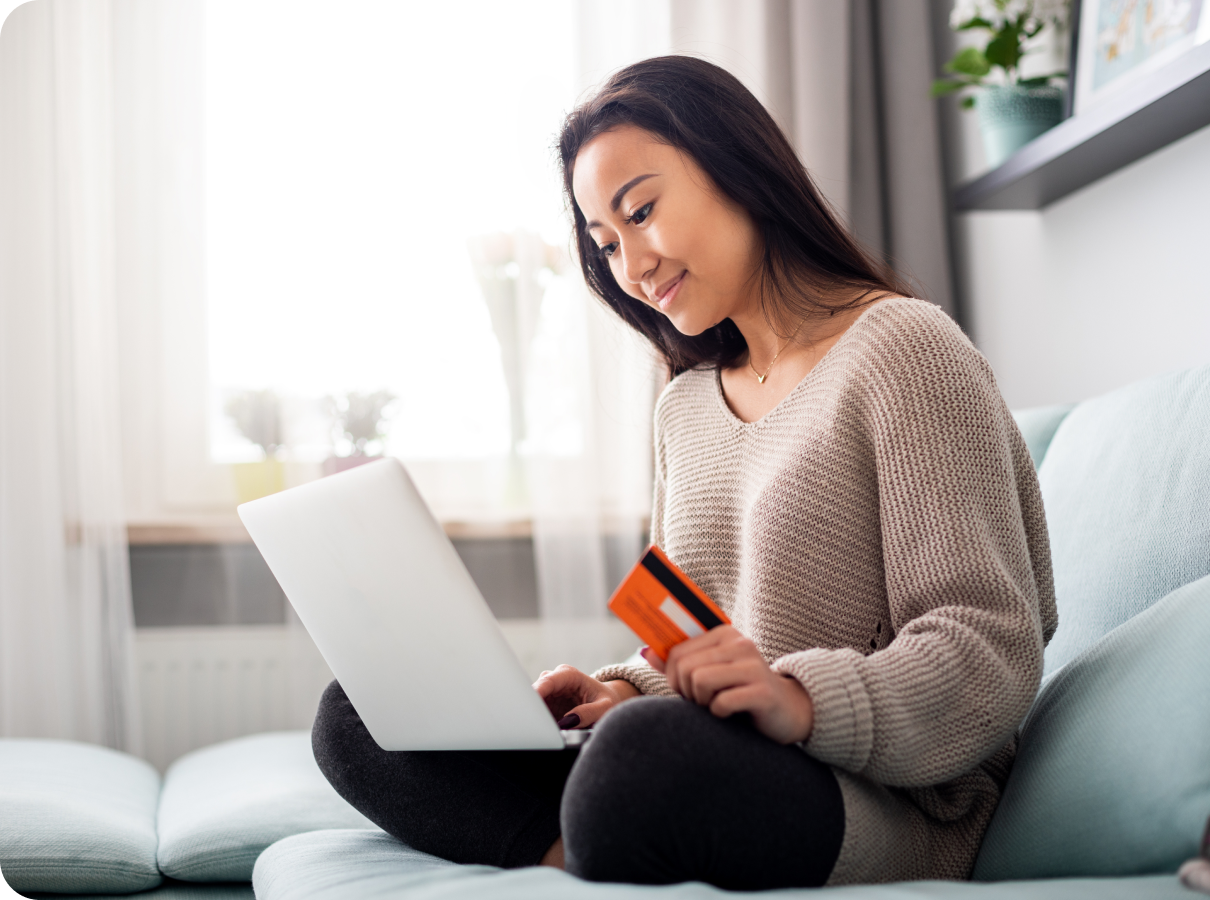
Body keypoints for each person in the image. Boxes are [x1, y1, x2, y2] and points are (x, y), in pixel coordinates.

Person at [312, 55, 1056, 890]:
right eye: (605, 243)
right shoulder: (685, 406)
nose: (631, 266)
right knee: (363, 714)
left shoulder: (905, 352)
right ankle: (590, 850)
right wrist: (624, 690)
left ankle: (602, 831)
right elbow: (683, 635)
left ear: (736, 164)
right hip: (707, 759)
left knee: (640, 764)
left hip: (885, 798)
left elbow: (988, 649)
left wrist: (795, 701)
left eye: (642, 212)